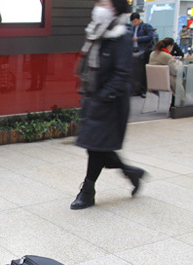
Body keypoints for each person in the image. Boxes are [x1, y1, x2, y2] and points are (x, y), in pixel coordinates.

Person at [72, 0, 146, 210]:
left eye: (104, 3)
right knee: (95, 147)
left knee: (96, 148)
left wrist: (103, 96)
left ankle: (87, 192)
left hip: (110, 103)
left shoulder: (121, 37)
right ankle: (131, 173)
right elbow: (88, 66)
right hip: (94, 99)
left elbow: (122, 73)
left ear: (115, 8)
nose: (99, 6)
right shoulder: (97, 33)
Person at [129, 12, 155, 97]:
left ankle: (143, 90)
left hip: (143, 51)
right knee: (135, 72)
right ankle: (135, 90)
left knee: (143, 72)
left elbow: (150, 37)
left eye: (135, 21)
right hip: (134, 51)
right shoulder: (132, 28)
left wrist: (138, 39)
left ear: (138, 19)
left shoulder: (146, 26)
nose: (134, 23)